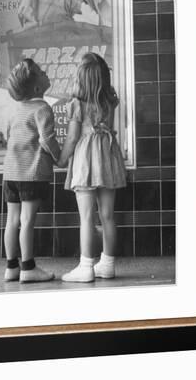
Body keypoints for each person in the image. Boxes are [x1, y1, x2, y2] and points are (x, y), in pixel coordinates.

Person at [57, 53, 127, 282]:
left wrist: (62, 159)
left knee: (87, 216)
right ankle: (107, 264)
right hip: (108, 155)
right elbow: (111, 129)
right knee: (107, 215)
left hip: (86, 159)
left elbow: (73, 138)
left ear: (80, 79)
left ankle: (86, 266)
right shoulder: (110, 101)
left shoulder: (77, 104)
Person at [3, 58, 60, 282]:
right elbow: (47, 140)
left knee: (12, 220)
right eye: (41, 71)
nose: (45, 72)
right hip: (32, 174)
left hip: (10, 173)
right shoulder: (43, 108)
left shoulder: (15, 111)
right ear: (37, 88)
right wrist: (60, 158)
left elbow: (11, 137)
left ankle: (11, 267)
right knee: (27, 221)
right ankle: (28, 267)